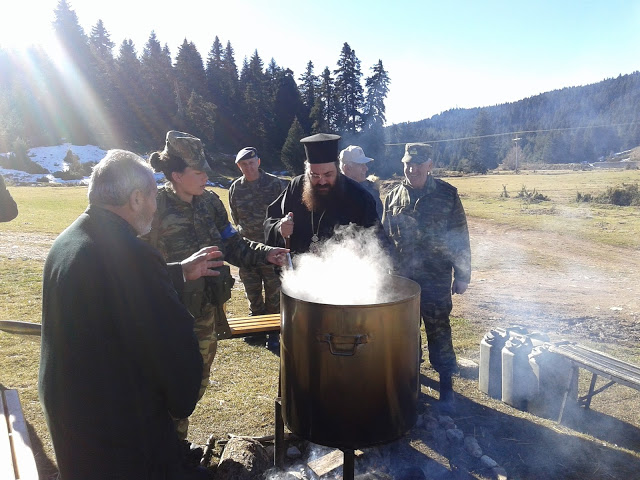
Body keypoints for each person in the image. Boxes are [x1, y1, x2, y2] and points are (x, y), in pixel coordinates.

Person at [39, 150, 222, 480]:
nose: (155, 205)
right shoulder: (132, 255)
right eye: (153, 195)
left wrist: (179, 272)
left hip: (73, 416)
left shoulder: (69, 241)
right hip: (116, 433)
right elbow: (172, 345)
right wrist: (182, 400)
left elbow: (110, 288)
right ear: (136, 198)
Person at [145, 131, 288, 439]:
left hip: (206, 313)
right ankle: (165, 451)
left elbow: (232, 244)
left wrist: (268, 253)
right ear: (176, 175)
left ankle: (174, 447)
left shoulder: (210, 202)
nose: (206, 176)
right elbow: (136, 266)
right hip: (169, 317)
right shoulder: (153, 207)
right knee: (168, 386)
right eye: (199, 172)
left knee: (195, 383)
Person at [382, 143, 471, 413]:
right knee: (405, 334)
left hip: (436, 278)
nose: (413, 169)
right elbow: (385, 239)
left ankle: (446, 386)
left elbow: (460, 237)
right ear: (403, 164)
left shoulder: (447, 194)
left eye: (419, 164)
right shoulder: (393, 196)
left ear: (430, 165)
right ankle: (411, 384)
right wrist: (386, 273)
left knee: (439, 330)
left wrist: (463, 274)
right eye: (409, 163)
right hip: (403, 280)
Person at [264, 133, 382, 255]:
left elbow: (377, 239)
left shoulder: (359, 196)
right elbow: (271, 219)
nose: (322, 181)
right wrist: (279, 228)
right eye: (314, 175)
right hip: (299, 271)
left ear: (337, 169)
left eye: (328, 174)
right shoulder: (297, 186)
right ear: (307, 171)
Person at [229, 147, 287, 349]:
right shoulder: (236, 188)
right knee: (252, 291)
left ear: (258, 162)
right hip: (247, 251)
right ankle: (256, 331)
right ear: (239, 166)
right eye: (244, 165)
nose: (249, 167)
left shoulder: (275, 184)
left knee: (273, 291)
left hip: (271, 248)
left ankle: (272, 332)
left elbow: (285, 215)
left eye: (251, 163)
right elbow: (236, 218)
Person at [339, 145, 384, 219]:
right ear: (347, 168)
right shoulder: (336, 193)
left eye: (365, 164)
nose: (366, 168)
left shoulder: (371, 190)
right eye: (360, 165)